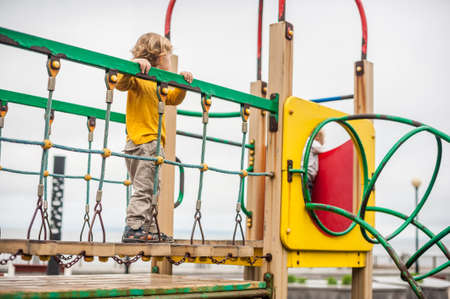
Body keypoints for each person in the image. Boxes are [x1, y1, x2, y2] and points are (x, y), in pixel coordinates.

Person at [116, 33, 193, 243]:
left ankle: (147, 229)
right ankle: (134, 228)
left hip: (141, 143)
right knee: (145, 188)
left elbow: (174, 99)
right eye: (169, 55)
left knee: (150, 187)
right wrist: (133, 64)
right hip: (146, 142)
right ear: (158, 56)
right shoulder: (139, 78)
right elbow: (120, 83)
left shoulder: (158, 83)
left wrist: (183, 83)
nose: (171, 59)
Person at [306, 130, 325, 196]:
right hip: (307, 176)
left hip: (305, 176)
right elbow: (323, 149)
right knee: (306, 199)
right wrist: (320, 139)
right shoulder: (312, 142)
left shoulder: (306, 142)